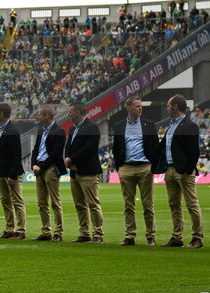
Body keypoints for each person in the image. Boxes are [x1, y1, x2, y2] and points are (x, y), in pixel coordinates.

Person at [154, 94, 203, 248]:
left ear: (175, 106)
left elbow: (194, 151)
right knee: (174, 203)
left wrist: (187, 170)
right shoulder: (171, 125)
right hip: (170, 169)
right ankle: (177, 236)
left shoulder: (190, 125)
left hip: (183, 171)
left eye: (168, 105)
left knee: (191, 204)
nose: (167, 107)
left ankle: (197, 238)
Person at [112, 97, 158, 246]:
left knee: (147, 204)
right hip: (126, 167)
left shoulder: (149, 125)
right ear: (128, 108)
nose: (140, 108)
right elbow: (116, 147)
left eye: (141, 106)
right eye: (137, 106)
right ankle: (130, 235)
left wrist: (153, 165)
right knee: (128, 204)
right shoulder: (119, 126)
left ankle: (150, 236)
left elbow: (155, 146)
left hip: (145, 167)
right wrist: (119, 167)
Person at [64, 104, 103, 243]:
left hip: (88, 172)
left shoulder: (92, 127)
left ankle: (98, 233)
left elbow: (90, 148)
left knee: (93, 204)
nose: (69, 115)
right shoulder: (73, 128)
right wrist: (68, 161)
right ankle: (84, 233)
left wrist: (72, 159)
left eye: (71, 112)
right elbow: (68, 147)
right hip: (74, 172)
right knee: (79, 204)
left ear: (78, 112)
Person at [30, 106, 65, 241]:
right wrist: (33, 163)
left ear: (46, 116)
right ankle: (46, 231)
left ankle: (58, 232)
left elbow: (56, 154)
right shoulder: (41, 130)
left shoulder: (59, 131)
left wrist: (42, 167)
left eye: (40, 115)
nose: (38, 117)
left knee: (55, 202)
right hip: (39, 167)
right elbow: (35, 149)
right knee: (42, 202)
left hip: (50, 168)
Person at [0, 104, 25, 239]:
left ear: (1, 113)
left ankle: (21, 230)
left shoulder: (12, 130)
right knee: (5, 201)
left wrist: (13, 174)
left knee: (17, 201)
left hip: (11, 173)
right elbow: (1, 153)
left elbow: (16, 154)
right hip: (2, 172)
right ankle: (9, 228)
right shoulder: (2, 129)